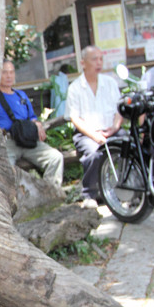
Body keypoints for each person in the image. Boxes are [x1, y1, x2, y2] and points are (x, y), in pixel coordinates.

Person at [67, 45, 125, 208]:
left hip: (111, 130)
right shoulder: (75, 88)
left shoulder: (110, 83)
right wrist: (95, 135)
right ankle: (90, 194)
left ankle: (130, 186)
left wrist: (114, 127)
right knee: (94, 152)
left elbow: (119, 110)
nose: (99, 63)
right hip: (87, 134)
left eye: (101, 59)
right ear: (83, 63)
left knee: (129, 146)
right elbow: (75, 118)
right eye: (94, 59)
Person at [0, 60, 64, 187]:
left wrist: (37, 124)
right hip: (7, 142)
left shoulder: (21, 95)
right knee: (6, 170)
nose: (9, 76)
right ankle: (13, 204)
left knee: (56, 158)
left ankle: (50, 194)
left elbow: (32, 117)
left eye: (11, 72)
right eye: (5, 72)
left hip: (27, 140)